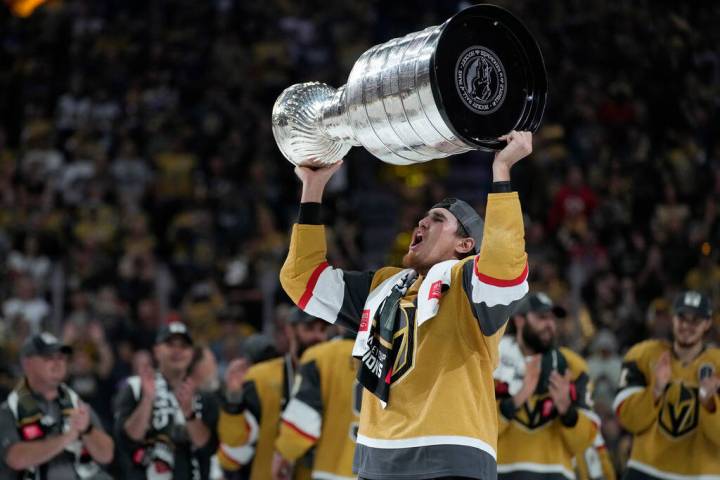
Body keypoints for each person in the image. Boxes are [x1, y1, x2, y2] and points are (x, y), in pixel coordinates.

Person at [280, 131, 533, 479]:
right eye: (424, 217)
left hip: (452, 455)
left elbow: (505, 266)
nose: (422, 221)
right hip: (377, 460)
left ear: (465, 245)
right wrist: (312, 188)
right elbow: (303, 280)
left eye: (439, 219)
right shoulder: (385, 285)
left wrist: (502, 171)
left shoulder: (469, 283)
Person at [614, 290, 720, 479]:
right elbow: (628, 421)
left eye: (695, 320)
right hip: (645, 469)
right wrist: (655, 391)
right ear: (673, 319)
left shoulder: (717, 365)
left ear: (707, 324)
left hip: (700, 474)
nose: (687, 326)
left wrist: (709, 403)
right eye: (682, 318)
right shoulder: (643, 355)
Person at [493, 292, 599, 479]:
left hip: (556, 473)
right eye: (542, 318)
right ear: (519, 320)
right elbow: (480, 429)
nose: (550, 325)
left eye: (552, 319)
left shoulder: (573, 367)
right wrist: (520, 395)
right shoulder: (494, 362)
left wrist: (567, 410)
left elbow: (584, 442)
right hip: (502, 471)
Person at [217, 308, 327, 480]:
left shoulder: (334, 377)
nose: (317, 337)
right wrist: (234, 397)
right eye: (309, 329)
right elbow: (235, 441)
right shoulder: (261, 378)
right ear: (289, 330)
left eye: (322, 330)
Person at [0, 332, 114, 479]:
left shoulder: (75, 403)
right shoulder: (9, 409)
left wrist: (87, 430)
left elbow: (106, 455)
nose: (58, 363)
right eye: (48, 358)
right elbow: (16, 458)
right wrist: (67, 438)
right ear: (27, 363)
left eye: (61, 357)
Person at [113, 322, 219, 480]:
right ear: (156, 350)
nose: (177, 351)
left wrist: (189, 414)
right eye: (170, 344)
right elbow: (127, 439)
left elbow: (207, 447)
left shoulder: (203, 395)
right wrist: (147, 400)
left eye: (183, 346)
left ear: (191, 353)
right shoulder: (136, 387)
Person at [271, 329, 359, 480]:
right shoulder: (395, 352)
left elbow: (302, 424)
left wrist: (284, 454)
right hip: (383, 471)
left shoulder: (320, 356)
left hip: (333, 472)